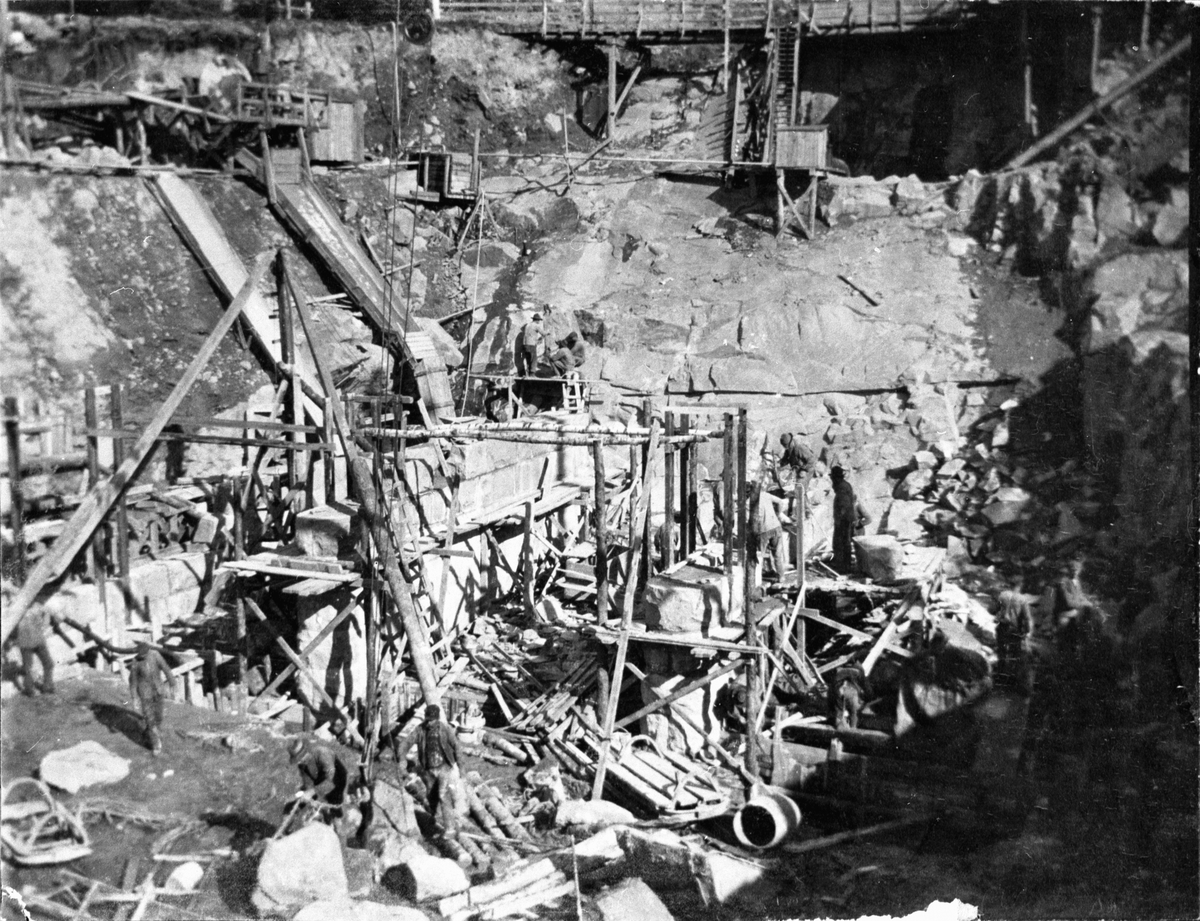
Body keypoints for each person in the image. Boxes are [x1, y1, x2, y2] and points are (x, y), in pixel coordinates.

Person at [415, 704, 464, 836]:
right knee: (431, 796)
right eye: (427, 720)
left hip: (444, 767)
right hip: (429, 769)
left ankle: (450, 829)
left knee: (443, 795)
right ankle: (434, 823)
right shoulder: (420, 729)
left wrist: (461, 767)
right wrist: (401, 756)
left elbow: (457, 746)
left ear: (437, 719)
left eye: (431, 720)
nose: (429, 723)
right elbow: (407, 742)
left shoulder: (445, 729)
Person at [129, 642, 177, 756]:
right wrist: (134, 698)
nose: (143, 657)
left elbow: (166, 668)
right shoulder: (135, 662)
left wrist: (172, 683)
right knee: (150, 720)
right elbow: (133, 682)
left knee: (158, 717)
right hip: (145, 694)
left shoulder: (155, 655)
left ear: (148, 651)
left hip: (158, 690)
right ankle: (156, 745)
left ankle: (149, 732)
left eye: (144, 655)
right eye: (141, 655)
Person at [288, 737, 349, 810]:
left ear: (306, 752)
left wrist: (311, 792)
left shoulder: (322, 753)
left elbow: (330, 778)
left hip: (337, 780)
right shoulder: (302, 764)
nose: (299, 762)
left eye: (300, 758)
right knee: (305, 802)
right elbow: (307, 783)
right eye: (297, 759)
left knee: (335, 804)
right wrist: (303, 794)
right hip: (321, 780)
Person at [15, 604, 62, 696]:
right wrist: (47, 614)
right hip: (32, 641)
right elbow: (44, 624)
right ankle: (33, 689)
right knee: (37, 666)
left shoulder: (24, 608)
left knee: (31, 667)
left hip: (30, 641)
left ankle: (41, 688)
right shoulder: (37, 607)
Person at [747, 481, 790, 583]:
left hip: (763, 530)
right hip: (776, 526)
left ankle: (757, 578)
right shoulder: (766, 495)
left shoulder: (750, 500)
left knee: (759, 554)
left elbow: (750, 519)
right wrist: (778, 513)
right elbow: (780, 502)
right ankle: (781, 577)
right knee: (778, 554)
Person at [830, 466, 869, 574]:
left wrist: (839, 520)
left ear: (836, 477)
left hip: (844, 521)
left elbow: (844, 505)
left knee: (841, 544)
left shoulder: (842, 487)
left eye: (833, 477)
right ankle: (844, 566)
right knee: (844, 543)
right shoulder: (844, 485)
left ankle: (843, 568)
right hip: (845, 520)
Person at [995, 589, 1034, 695]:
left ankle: (1001, 679)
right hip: (1015, 631)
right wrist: (1027, 632)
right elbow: (1027, 618)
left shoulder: (1002, 595)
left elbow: (995, 611)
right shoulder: (1022, 599)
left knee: (1002, 653)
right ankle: (1015, 681)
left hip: (1002, 628)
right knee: (1016, 655)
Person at [828, 664, 870, 730]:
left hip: (837, 690)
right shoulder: (859, 673)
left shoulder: (841, 672)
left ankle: (841, 728)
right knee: (854, 712)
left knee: (839, 713)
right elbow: (867, 689)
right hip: (848, 691)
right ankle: (852, 729)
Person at [514, 312, 545, 377]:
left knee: (528, 359)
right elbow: (543, 333)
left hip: (525, 345)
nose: (539, 322)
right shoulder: (536, 325)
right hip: (531, 345)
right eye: (539, 320)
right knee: (534, 359)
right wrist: (546, 335)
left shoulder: (527, 325)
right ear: (537, 320)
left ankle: (527, 374)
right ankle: (532, 373)